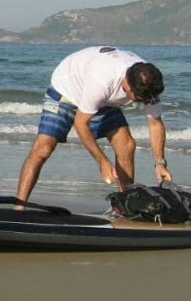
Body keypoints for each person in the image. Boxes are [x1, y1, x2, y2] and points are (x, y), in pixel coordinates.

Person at [16, 46, 172, 204]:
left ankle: (126, 204)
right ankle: (19, 206)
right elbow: (81, 123)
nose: (143, 102)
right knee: (43, 148)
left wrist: (160, 163)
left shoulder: (149, 83)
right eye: (139, 99)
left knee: (126, 145)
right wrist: (102, 161)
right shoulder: (103, 80)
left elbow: (155, 123)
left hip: (102, 99)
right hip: (66, 91)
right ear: (127, 85)